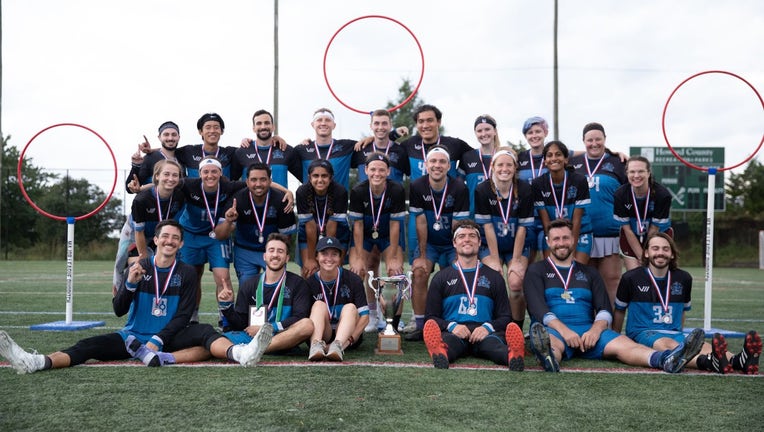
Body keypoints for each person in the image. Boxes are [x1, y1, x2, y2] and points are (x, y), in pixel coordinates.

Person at [0, 220, 272, 372]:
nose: (169, 241)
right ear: (156, 240)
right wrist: (129, 284)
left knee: (203, 331)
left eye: (175, 238)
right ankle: (37, 362)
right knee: (87, 345)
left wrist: (157, 340)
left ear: (181, 243)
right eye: (165, 236)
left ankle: (242, 354)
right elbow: (118, 310)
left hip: (168, 337)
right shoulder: (138, 267)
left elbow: (183, 316)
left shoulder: (187, 272)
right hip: (132, 337)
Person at [523, 218, 704, 373]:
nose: (561, 243)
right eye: (556, 239)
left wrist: (595, 330)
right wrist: (565, 331)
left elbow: (604, 308)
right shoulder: (536, 270)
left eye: (565, 238)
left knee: (627, 345)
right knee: (551, 344)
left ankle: (665, 359)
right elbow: (538, 309)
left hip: (588, 332)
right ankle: (549, 358)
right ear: (548, 241)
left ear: (574, 240)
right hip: (556, 331)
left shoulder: (590, 272)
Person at [613, 232, 761, 374]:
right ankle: (708, 362)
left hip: (674, 332)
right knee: (668, 344)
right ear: (646, 253)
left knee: (704, 346)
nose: (660, 253)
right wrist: (617, 339)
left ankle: (739, 361)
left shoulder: (683, 278)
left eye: (665, 249)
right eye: (655, 248)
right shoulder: (631, 278)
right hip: (643, 332)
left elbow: (683, 312)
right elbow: (619, 311)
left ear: (672, 254)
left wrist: (680, 332)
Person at [421, 219, 525, 370]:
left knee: (494, 347)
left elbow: (505, 317)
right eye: (461, 236)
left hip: (485, 333)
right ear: (454, 243)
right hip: (454, 333)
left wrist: (487, 327)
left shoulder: (494, 277)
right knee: (449, 344)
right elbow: (430, 317)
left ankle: (513, 355)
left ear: (479, 242)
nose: (467, 239)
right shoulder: (441, 278)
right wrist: (452, 326)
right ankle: (440, 352)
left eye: (472, 236)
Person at [406, 146, 470, 340]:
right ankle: (421, 325)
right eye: (433, 161)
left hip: (451, 243)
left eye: (442, 162)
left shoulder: (459, 187)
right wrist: (422, 255)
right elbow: (421, 222)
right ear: (426, 165)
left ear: (449, 166)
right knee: (419, 272)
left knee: (458, 273)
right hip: (430, 243)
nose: (437, 165)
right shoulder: (417, 185)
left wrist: (457, 255)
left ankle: (453, 322)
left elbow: (458, 226)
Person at [216, 233, 314, 355]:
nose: (275, 255)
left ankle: (255, 350)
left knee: (307, 325)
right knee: (214, 341)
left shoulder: (298, 283)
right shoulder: (249, 284)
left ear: (287, 258)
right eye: (271, 250)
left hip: (284, 337)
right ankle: (253, 349)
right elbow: (240, 324)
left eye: (280, 251)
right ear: (264, 256)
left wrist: (268, 328)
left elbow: (299, 317)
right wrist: (227, 306)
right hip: (252, 337)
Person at [176, 157, 245, 324]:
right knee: (191, 277)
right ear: (199, 174)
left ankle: (226, 318)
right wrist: (140, 188)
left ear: (220, 173)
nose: (210, 175)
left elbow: (255, 183)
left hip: (216, 235)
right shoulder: (188, 184)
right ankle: (191, 317)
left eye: (214, 171)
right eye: (205, 172)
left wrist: (286, 191)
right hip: (190, 235)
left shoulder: (229, 186)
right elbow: (164, 183)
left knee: (223, 277)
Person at [474, 148, 534, 331]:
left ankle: (515, 329)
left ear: (515, 168)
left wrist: (515, 260)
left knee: (516, 283)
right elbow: (487, 227)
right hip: (491, 244)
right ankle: (494, 328)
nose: (504, 169)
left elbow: (523, 228)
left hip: (517, 244)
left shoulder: (525, 189)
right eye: (500, 164)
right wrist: (494, 258)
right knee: (493, 280)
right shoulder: (483, 189)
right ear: (492, 166)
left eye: (509, 165)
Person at [347, 153, 406, 332]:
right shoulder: (358, 191)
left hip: (388, 236)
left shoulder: (397, 190)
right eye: (373, 169)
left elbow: (395, 225)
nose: (377, 173)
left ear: (388, 171)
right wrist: (359, 257)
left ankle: (393, 322)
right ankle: (370, 315)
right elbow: (357, 227)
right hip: (365, 236)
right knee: (358, 272)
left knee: (396, 273)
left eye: (381, 169)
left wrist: (393, 257)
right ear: (366, 170)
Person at [570, 122, 626, 305]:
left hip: (609, 232)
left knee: (611, 280)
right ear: (583, 141)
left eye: (598, 139)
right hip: (582, 233)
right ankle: (586, 321)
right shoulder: (573, 164)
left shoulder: (618, 163)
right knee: (583, 283)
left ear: (605, 139)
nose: (594, 144)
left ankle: (610, 323)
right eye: (590, 140)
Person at [215, 162, 297, 284]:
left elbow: (286, 237)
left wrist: (276, 253)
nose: (258, 184)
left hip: (271, 251)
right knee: (247, 287)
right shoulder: (237, 200)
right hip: (245, 251)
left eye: (263, 179)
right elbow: (220, 235)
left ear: (270, 181)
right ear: (247, 182)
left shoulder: (281, 200)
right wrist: (228, 221)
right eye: (254, 180)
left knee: (275, 287)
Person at [307, 236, 369, 361]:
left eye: (334, 254)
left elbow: (365, 317)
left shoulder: (354, 280)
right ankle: (316, 346)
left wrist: (349, 341)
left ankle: (337, 347)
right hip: (323, 335)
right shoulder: (309, 283)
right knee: (318, 305)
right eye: (324, 254)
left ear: (340, 258)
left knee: (350, 307)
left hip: (347, 337)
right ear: (317, 256)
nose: (329, 259)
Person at [531, 141, 592, 263]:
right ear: (545, 161)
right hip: (552, 232)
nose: (554, 158)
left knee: (575, 269)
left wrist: (571, 248)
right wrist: (552, 240)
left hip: (579, 232)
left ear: (566, 159)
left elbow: (577, 219)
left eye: (558, 154)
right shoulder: (538, 183)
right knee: (553, 270)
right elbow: (545, 220)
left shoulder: (579, 180)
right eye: (549, 155)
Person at [613, 156, 673, 271]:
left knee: (656, 274)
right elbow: (627, 230)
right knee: (635, 275)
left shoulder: (662, 195)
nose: (636, 175)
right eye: (632, 172)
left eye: (640, 171)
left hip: (658, 238)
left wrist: (647, 254)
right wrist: (641, 256)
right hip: (631, 238)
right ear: (627, 173)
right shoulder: (620, 195)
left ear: (648, 173)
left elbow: (654, 229)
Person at [295, 159, 350, 278]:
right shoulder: (302, 192)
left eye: (324, 176)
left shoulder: (340, 192)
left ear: (330, 177)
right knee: (309, 272)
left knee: (332, 270)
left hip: (337, 235)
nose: (320, 180)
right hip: (308, 236)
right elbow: (310, 226)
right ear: (309, 177)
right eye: (316, 176)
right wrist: (311, 258)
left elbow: (332, 226)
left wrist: (329, 253)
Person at [293, 108, 359, 191]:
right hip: (310, 199)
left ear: (334, 125)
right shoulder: (301, 150)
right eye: (319, 120)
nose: (323, 123)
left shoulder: (346, 147)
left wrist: (370, 138)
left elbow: (370, 146)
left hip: (339, 198)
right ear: (313, 124)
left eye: (328, 120)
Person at [233, 109, 301, 186]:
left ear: (273, 127)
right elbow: (230, 183)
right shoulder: (242, 152)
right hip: (250, 194)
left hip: (279, 194)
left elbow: (306, 178)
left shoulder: (285, 149)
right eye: (259, 123)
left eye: (267, 123)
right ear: (253, 128)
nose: (263, 127)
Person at [353, 109, 410, 185]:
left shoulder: (401, 151)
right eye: (376, 123)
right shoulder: (361, 148)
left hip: (394, 193)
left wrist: (395, 133)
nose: (380, 127)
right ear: (371, 126)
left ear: (390, 126)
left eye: (384, 123)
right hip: (365, 193)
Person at [459, 115, 500, 218]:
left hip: (500, 215)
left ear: (495, 131)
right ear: (475, 133)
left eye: (487, 129)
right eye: (479, 131)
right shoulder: (468, 157)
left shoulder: (504, 156)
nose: (483, 134)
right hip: (474, 216)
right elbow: (458, 186)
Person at [126, 120, 183, 193]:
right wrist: (135, 166)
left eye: (174, 135)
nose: (170, 138)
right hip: (154, 200)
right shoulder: (149, 159)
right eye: (166, 134)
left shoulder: (184, 155)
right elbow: (130, 188)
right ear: (159, 137)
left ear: (179, 137)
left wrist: (152, 149)